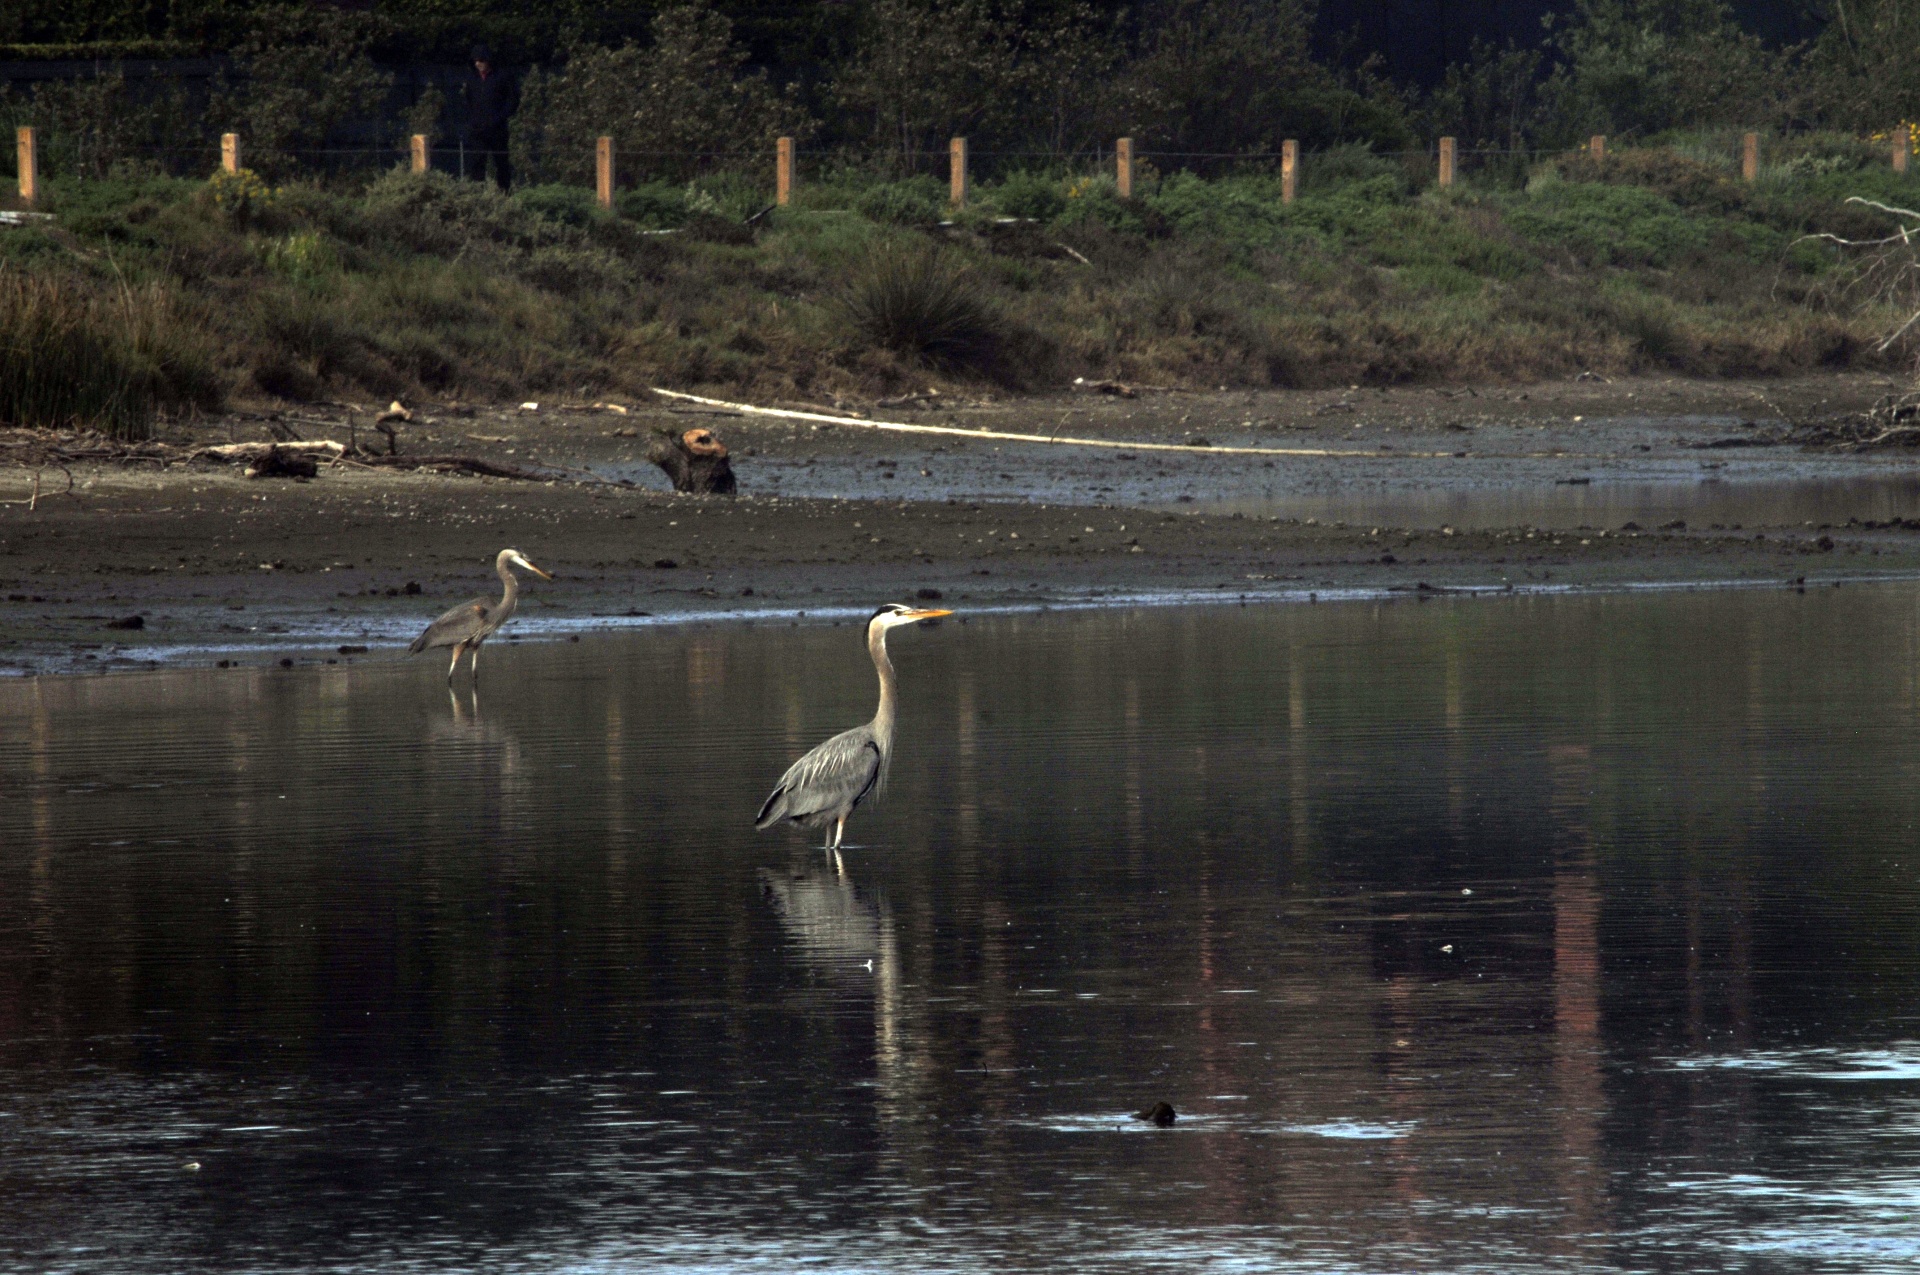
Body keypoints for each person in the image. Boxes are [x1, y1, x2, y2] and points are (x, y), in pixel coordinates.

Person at [464, 43, 519, 191]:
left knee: (501, 163)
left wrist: (500, 117)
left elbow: (513, 100)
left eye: (481, 60)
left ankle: (505, 196)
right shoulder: (472, 78)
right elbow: (469, 99)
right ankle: (478, 197)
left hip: (497, 128)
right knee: (476, 164)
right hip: (478, 129)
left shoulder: (503, 75)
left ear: (488, 59)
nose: (478, 64)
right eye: (475, 60)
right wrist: (473, 120)